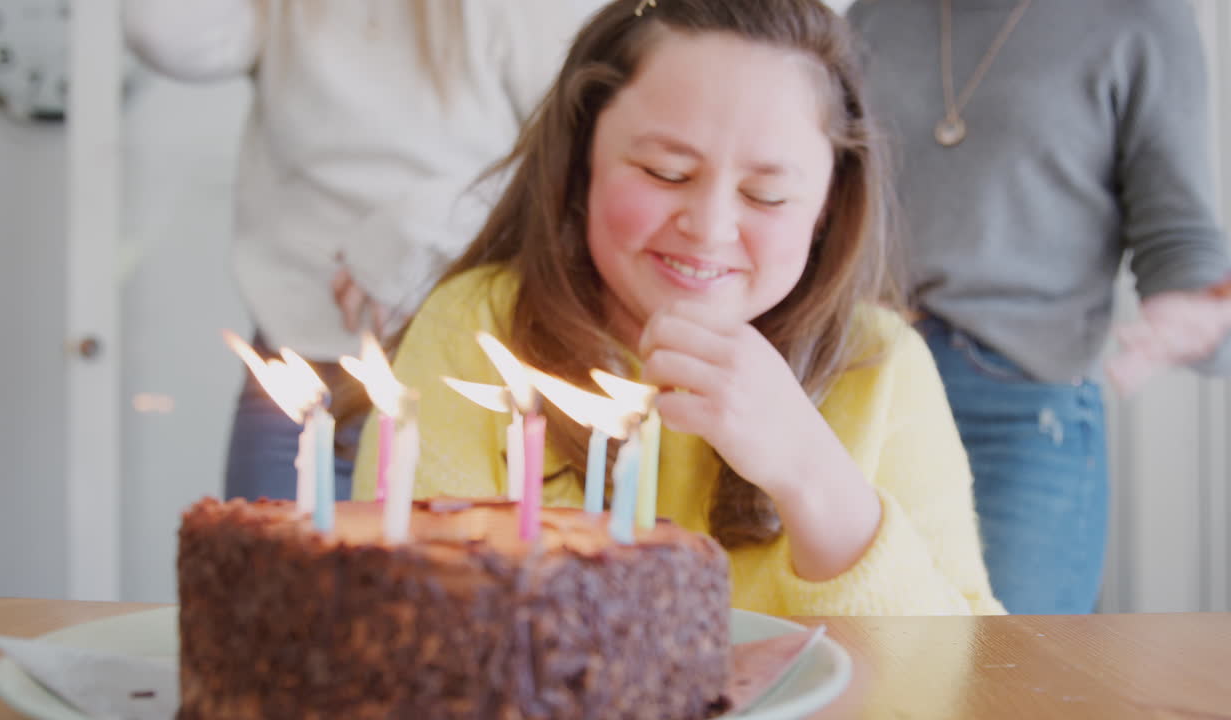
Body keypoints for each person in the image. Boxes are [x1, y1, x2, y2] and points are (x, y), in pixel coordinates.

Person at [355, 0, 1004, 616]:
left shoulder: (880, 364)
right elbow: (406, 624)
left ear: (829, 204)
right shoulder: (477, 329)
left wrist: (812, 473)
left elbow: (965, 676)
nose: (710, 226)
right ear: (583, 161)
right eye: (666, 173)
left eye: (768, 195)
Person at [123, 0, 600, 501]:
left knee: (448, 573)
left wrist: (421, 227)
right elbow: (156, 27)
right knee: (265, 568)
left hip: (454, 369)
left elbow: (568, 158)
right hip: (301, 370)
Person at [846, 0, 1231, 614]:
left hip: (1018, 409)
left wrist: (1192, 314)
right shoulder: (877, 15)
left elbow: (1180, 233)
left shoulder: (1141, 19)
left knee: (1003, 685)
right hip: (865, 381)